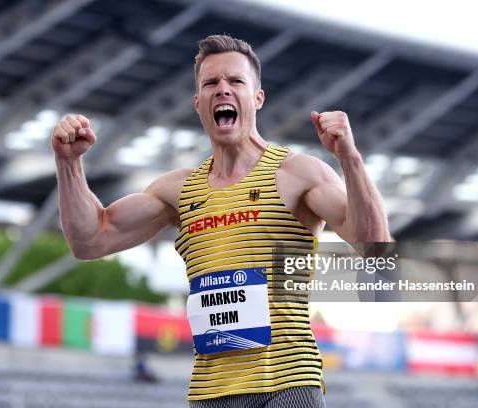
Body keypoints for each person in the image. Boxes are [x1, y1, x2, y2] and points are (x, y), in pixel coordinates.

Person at [52, 34, 390, 408]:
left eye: (236, 81)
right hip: (209, 393)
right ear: (198, 104)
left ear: (257, 98)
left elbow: (373, 244)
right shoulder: (178, 190)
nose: (222, 90)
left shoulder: (297, 173)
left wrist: (350, 158)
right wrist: (69, 163)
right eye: (211, 83)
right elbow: (90, 240)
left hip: (287, 386)